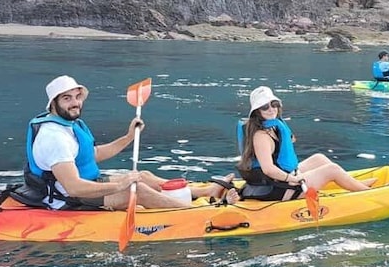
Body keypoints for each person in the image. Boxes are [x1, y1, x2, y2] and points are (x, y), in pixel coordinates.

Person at [22, 75, 238, 210]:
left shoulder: (69, 124)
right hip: (66, 197)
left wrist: (129, 137)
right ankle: (196, 211)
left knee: (143, 176)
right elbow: (74, 187)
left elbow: (92, 155)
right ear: (54, 103)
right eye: (67, 98)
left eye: (77, 97)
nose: (75, 103)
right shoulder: (54, 137)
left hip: (85, 183)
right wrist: (119, 185)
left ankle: (204, 193)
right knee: (139, 190)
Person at [237, 86, 375, 201]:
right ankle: (368, 193)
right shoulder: (261, 136)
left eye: (274, 104)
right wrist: (292, 178)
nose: (271, 109)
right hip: (276, 188)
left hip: (279, 180)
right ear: (257, 112)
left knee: (319, 158)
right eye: (265, 107)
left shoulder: (273, 127)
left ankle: (355, 184)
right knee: (332, 169)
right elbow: (268, 169)